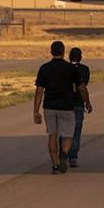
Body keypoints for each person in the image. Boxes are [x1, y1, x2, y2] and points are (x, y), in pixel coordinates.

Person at [34, 41, 80, 174]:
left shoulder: (44, 68)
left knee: (52, 135)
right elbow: (80, 87)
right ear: (63, 52)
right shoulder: (71, 69)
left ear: (51, 52)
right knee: (68, 135)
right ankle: (64, 154)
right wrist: (86, 101)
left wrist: (36, 111)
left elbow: (39, 90)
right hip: (67, 107)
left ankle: (55, 165)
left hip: (49, 107)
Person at [65, 47, 92, 168]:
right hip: (78, 103)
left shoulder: (64, 68)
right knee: (76, 131)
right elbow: (83, 86)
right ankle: (73, 157)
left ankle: (63, 153)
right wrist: (87, 102)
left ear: (69, 57)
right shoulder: (85, 69)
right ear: (80, 57)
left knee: (64, 131)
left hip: (65, 104)